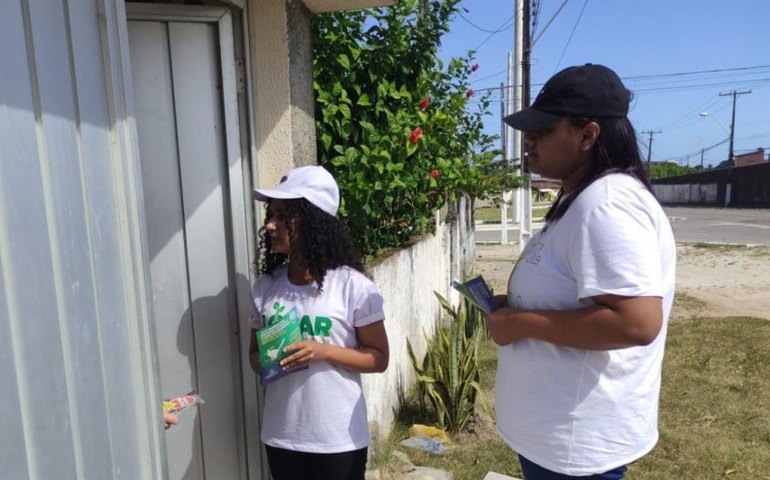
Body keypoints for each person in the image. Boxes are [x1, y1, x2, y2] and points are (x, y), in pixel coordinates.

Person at [486, 64, 676, 479]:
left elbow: (636, 322)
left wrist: (518, 322)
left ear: (588, 135)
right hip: (556, 437)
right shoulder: (581, 196)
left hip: (577, 445)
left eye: (543, 130)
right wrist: (514, 305)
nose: (529, 141)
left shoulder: (608, 204)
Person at [248, 165, 389, 480]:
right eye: (270, 214)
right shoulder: (265, 287)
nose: (270, 225)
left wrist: (321, 351)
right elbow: (254, 357)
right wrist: (272, 360)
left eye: (282, 216)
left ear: (312, 221)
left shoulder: (353, 286)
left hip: (337, 439)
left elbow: (379, 358)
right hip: (281, 436)